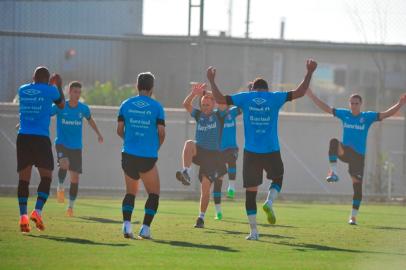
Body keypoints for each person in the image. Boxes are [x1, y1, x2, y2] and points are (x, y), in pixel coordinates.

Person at [206, 59, 317, 240]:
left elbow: (219, 99)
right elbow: (300, 92)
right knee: (278, 177)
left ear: (253, 89)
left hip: (251, 152)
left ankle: (254, 232)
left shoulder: (245, 97)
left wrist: (211, 80)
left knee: (250, 192)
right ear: (266, 88)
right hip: (271, 149)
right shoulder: (274, 97)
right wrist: (309, 72)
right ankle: (270, 201)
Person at [306, 88, 406, 225]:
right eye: (352, 103)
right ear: (349, 104)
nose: (354, 105)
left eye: (356, 103)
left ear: (361, 104)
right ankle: (333, 172)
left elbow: (385, 114)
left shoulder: (367, 117)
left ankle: (353, 217)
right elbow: (327, 108)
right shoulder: (344, 114)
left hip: (358, 157)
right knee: (334, 142)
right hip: (346, 152)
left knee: (357, 188)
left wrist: (400, 104)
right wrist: (312, 96)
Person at [117, 72, 165, 239]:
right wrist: (154, 148)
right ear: (152, 88)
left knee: (130, 192)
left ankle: (126, 226)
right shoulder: (157, 107)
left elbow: (119, 130)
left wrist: (130, 141)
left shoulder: (125, 104)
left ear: (137, 86)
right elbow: (161, 133)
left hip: (128, 154)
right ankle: (145, 229)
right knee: (154, 193)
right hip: (147, 156)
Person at [17, 66, 65, 233]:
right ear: (48, 80)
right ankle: (37, 212)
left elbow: (33, 102)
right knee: (46, 177)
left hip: (23, 137)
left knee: (24, 179)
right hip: (40, 139)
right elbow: (62, 104)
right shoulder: (50, 90)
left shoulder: (22, 89)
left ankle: (23, 216)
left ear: (33, 77)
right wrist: (58, 85)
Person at [176, 83, 227, 227]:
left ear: (213, 104)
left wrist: (205, 91)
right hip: (200, 151)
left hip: (213, 157)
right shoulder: (199, 115)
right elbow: (186, 104)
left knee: (205, 188)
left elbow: (223, 101)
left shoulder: (218, 115)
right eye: (203, 105)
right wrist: (194, 93)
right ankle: (186, 172)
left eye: (207, 105)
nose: (205, 107)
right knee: (189, 143)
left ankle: (201, 218)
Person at [52, 81, 104, 217]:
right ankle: (60, 185)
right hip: (62, 143)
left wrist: (98, 133)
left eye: (79, 92)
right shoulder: (60, 106)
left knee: (75, 178)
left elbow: (90, 120)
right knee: (64, 163)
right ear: (69, 92)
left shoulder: (83, 108)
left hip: (76, 147)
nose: (77, 94)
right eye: (75, 92)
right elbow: (46, 113)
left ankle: (70, 207)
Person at [217, 103, 242, 199]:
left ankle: (231, 187)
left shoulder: (232, 112)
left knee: (232, 160)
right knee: (220, 173)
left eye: (224, 103)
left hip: (232, 147)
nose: (222, 105)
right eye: (220, 103)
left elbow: (243, 106)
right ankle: (217, 196)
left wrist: (251, 92)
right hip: (219, 150)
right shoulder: (215, 115)